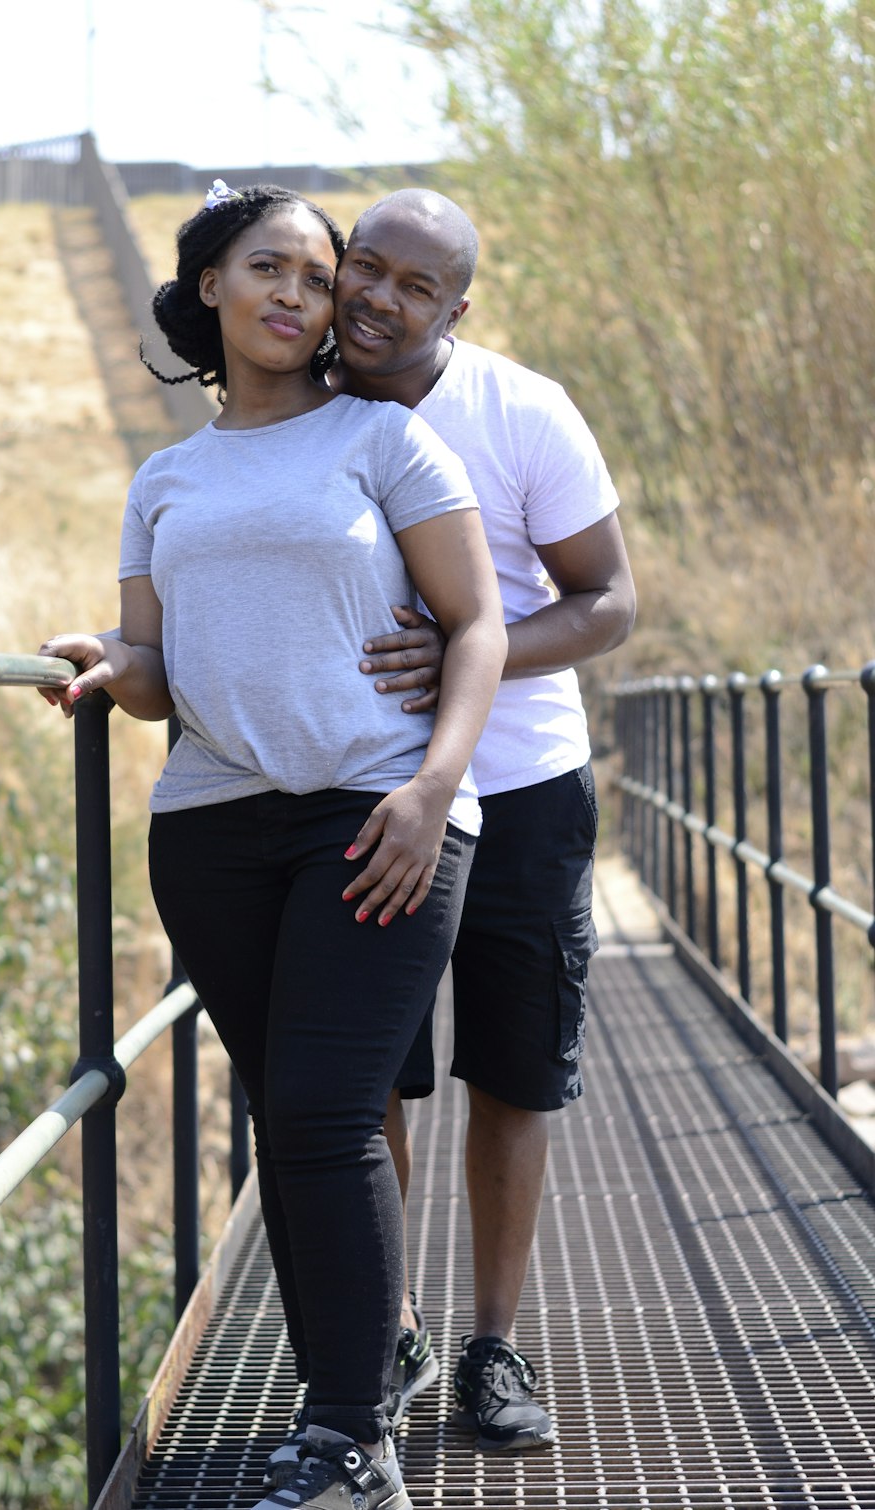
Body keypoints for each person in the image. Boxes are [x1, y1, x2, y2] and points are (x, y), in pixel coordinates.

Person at [37, 181, 507, 1510]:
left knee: (320, 1110)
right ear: (211, 290)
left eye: (320, 275)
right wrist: (105, 655)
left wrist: (432, 788)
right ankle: (352, 1391)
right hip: (212, 828)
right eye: (271, 269)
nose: (302, 295)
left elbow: (474, 626)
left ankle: (354, 1439)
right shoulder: (166, 476)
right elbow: (152, 665)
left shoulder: (385, 440)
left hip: (375, 811)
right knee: (288, 1120)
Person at [327, 188, 637, 1453]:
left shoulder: (521, 410)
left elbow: (609, 601)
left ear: (458, 306)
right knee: (372, 1080)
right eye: (367, 267)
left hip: (517, 793)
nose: (380, 297)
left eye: (416, 285)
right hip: (348, 797)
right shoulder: (293, 397)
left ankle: (491, 1344)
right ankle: (389, 1329)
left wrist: (471, 655)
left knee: (514, 1071)